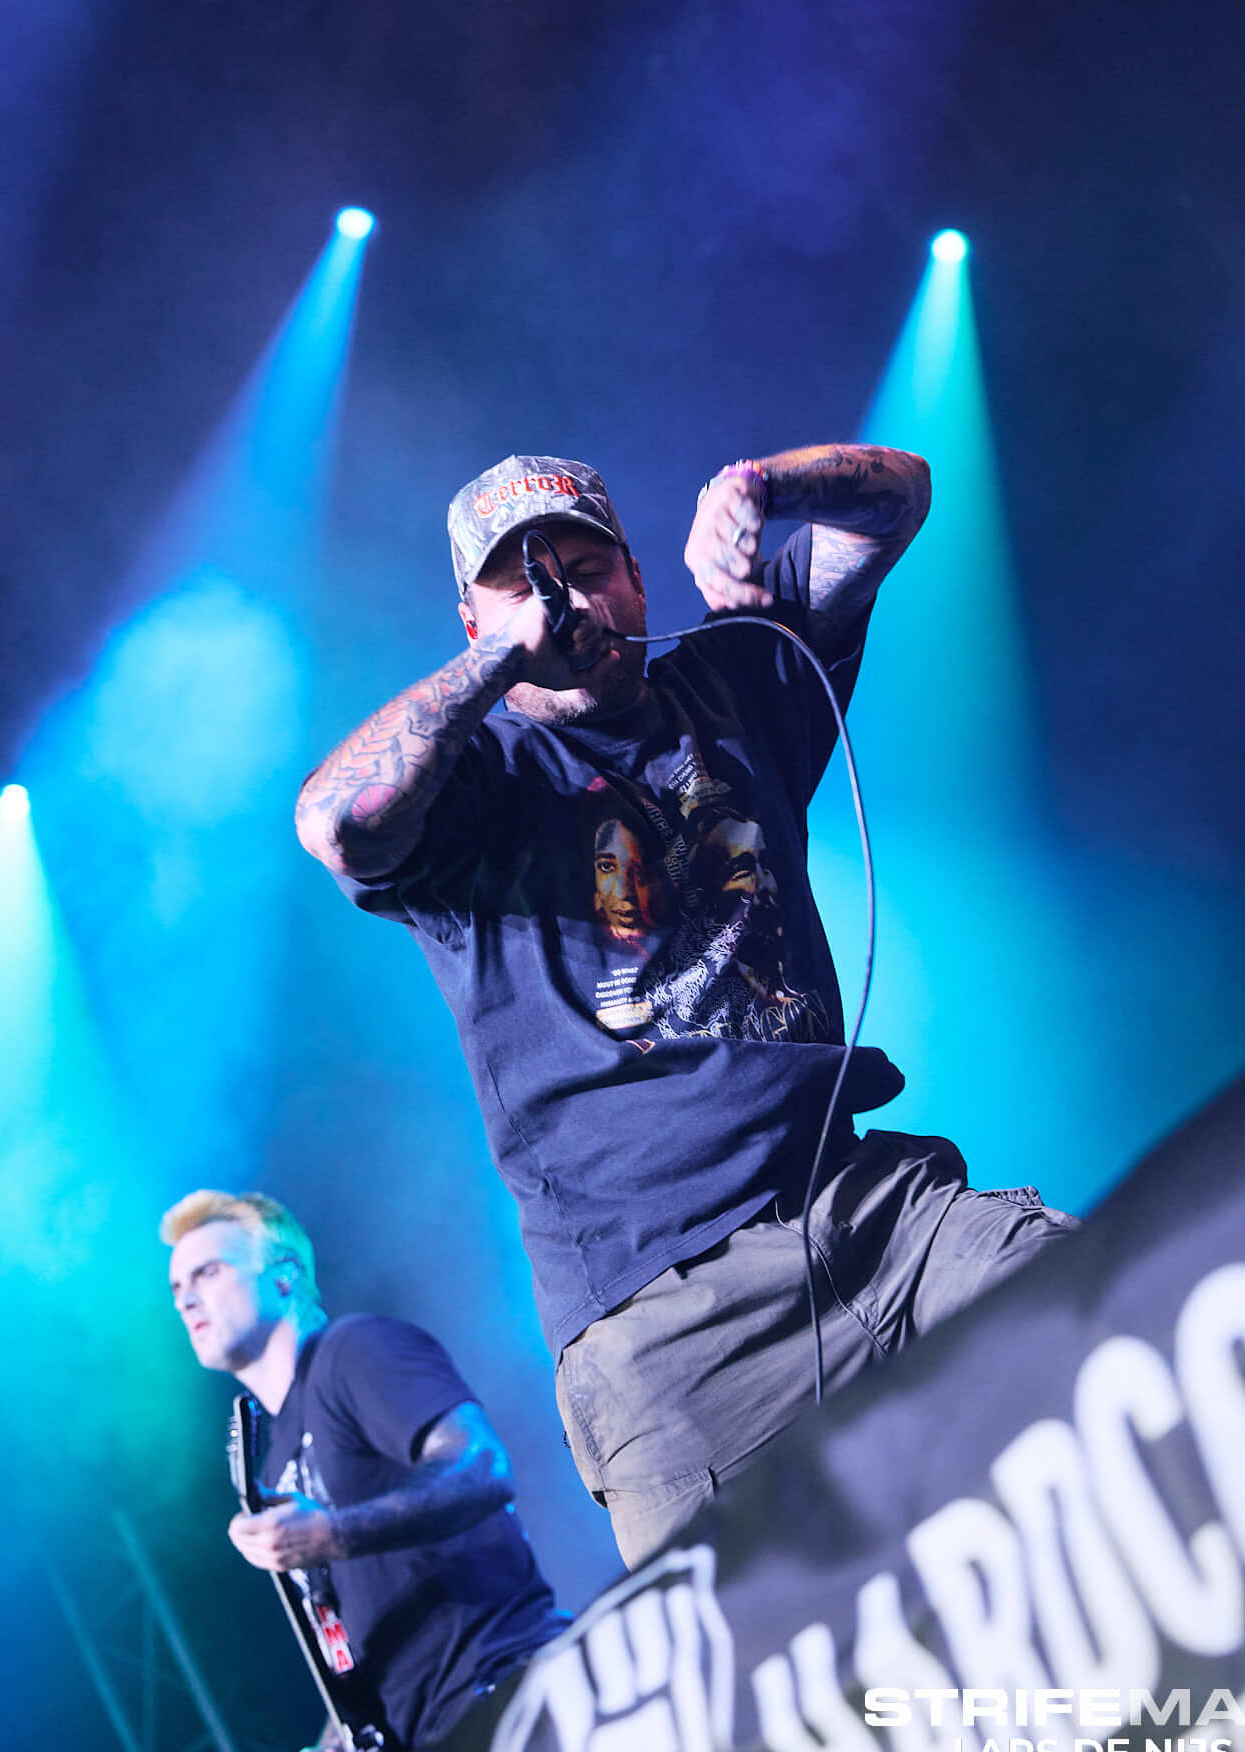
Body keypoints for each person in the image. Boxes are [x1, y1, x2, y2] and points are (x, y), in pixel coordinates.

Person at [294, 447, 1075, 1567]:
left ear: (636, 576)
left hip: (874, 1214)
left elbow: (898, 497)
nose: (562, 600)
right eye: (521, 586)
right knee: (779, 1658)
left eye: (584, 568)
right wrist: (507, 656)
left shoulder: (737, 675)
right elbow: (335, 823)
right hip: (672, 1329)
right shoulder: (472, 787)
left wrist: (768, 486)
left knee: (1121, 1314)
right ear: (470, 621)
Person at [162, 1188, 567, 1752]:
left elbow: (483, 1467)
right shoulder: (271, 1460)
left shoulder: (353, 1352)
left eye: (208, 1272)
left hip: (508, 1701)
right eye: (177, 1287)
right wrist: (338, 1751)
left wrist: (334, 1533)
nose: (186, 1297)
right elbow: (348, 1631)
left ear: (283, 1276)